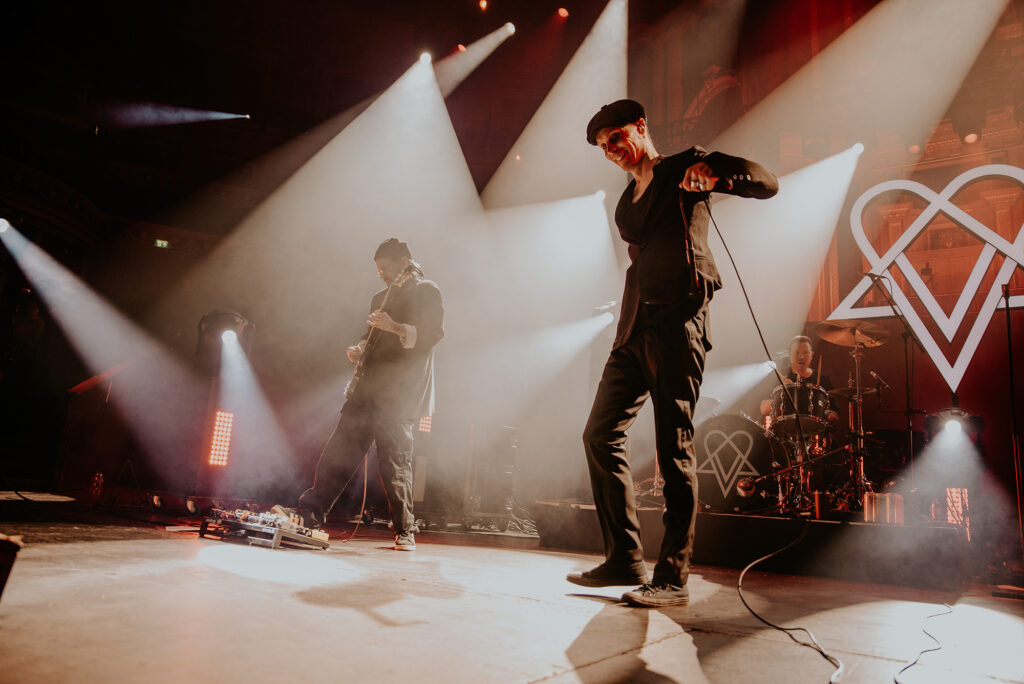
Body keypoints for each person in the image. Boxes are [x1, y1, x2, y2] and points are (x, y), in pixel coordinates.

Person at [567, 99, 778, 607]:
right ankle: (624, 558)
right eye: (603, 148)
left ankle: (673, 575)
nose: (612, 152)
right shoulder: (624, 203)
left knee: (673, 449)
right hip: (633, 330)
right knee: (599, 434)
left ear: (641, 127)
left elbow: (765, 182)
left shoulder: (686, 165)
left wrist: (717, 173)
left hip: (679, 324)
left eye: (616, 139)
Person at [283, 238, 444, 551]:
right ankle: (310, 513)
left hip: (399, 393)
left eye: (385, 267)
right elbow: (370, 335)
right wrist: (360, 349)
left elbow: (433, 333)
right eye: (378, 268)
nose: (381, 273)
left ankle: (405, 530)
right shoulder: (380, 298)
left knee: (395, 463)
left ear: (403, 262)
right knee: (338, 451)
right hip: (367, 388)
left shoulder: (427, 290)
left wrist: (396, 327)